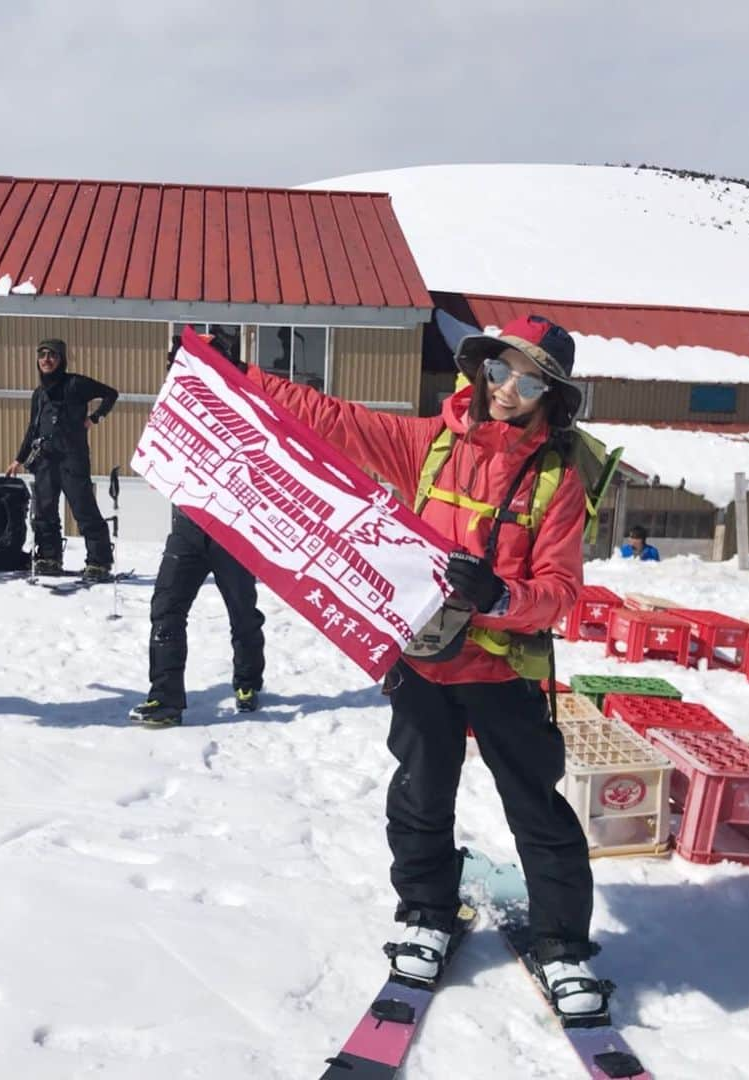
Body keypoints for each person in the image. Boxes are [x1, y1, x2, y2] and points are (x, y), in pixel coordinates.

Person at [241, 314, 608, 1017]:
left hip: (503, 672)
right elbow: (333, 419)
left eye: (529, 380)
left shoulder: (557, 478)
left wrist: (499, 594)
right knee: (420, 792)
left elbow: (559, 594)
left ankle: (563, 945)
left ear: (550, 393)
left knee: (536, 808)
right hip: (425, 664)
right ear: (482, 369)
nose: (508, 390)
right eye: (500, 371)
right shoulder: (429, 442)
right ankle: (424, 913)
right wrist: (240, 377)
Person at [129, 331, 265, 728]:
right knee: (166, 610)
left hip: (232, 532)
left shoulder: (244, 409)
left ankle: (248, 682)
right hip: (187, 530)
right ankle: (165, 699)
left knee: (242, 613)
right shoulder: (174, 408)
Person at [5, 339, 118, 581]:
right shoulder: (38, 394)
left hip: (72, 459)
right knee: (44, 511)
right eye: (42, 355)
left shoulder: (75, 384)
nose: (47, 359)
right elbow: (32, 428)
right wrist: (18, 459)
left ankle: (99, 562)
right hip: (45, 459)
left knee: (84, 510)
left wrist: (95, 417)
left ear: (61, 359)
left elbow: (111, 394)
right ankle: (49, 558)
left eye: (52, 355)